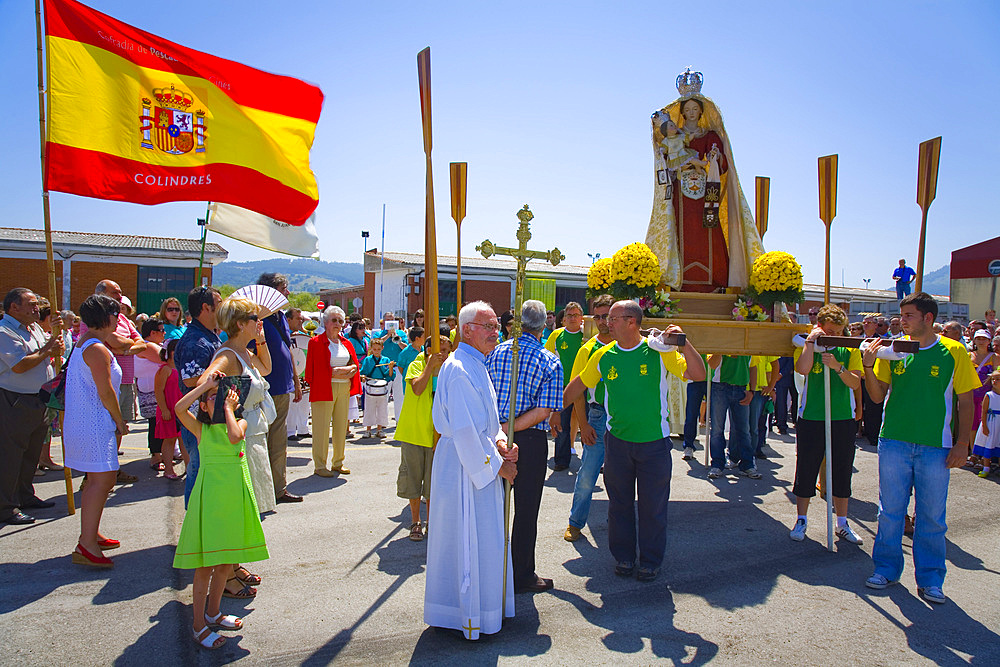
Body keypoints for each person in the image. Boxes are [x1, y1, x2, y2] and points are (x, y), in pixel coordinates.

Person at [564, 300, 704, 582]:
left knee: (653, 506)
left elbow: (699, 374)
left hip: (654, 444)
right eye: (607, 319)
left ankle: (650, 560)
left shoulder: (658, 351)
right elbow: (579, 384)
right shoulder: (604, 355)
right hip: (617, 443)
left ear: (631, 321)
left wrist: (683, 343)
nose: (607, 323)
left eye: (613, 319)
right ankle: (624, 557)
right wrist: (554, 410)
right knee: (620, 504)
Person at [862, 292, 979, 604]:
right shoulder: (893, 348)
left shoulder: (953, 350)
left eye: (909, 315)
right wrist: (869, 367)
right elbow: (876, 396)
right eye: (902, 316)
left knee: (931, 517)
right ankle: (886, 569)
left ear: (929, 318)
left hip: (936, 447)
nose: (903, 321)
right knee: (890, 513)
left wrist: (962, 444)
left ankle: (930, 579)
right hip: (894, 441)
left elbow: (966, 401)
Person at [424, 301, 518, 640]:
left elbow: (488, 422)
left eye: (496, 326)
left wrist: (503, 443)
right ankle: (464, 613)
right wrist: (497, 467)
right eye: (489, 327)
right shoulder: (460, 369)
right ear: (467, 331)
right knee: (467, 539)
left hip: (478, 462)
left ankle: (485, 608)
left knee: (484, 539)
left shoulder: (477, 364)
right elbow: (465, 432)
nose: (496, 332)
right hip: (466, 469)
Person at [172, 374, 268, 650]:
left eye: (226, 396)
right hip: (211, 501)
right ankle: (198, 624)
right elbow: (179, 408)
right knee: (205, 566)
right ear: (203, 406)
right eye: (212, 399)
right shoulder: (203, 430)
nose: (220, 400)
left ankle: (213, 612)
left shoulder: (239, 421)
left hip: (233, 499)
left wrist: (226, 407)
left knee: (226, 560)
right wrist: (205, 388)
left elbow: (236, 435)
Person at [645, 86, 764, 292]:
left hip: (706, 191)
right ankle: (678, 279)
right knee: (682, 229)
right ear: (682, 113)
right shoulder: (674, 136)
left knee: (708, 228)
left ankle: (715, 280)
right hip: (681, 191)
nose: (691, 113)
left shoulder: (710, 135)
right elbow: (663, 160)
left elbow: (724, 164)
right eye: (687, 109)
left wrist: (714, 157)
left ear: (701, 112)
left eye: (694, 109)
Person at [486, 300, 563, 593]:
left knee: (492, 505)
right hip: (528, 439)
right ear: (544, 326)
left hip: (493, 435)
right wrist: (512, 428)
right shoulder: (549, 360)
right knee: (526, 509)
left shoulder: (493, 352)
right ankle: (521, 574)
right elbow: (544, 411)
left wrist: (501, 429)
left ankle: (491, 568)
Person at [788, 305, 865, 544]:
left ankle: (842, 522)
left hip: (841, 417)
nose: (833, 335)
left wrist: (838, 367)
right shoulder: (805, 345)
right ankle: (801, 519)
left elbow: (854, 382)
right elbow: (803, 369)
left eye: (838, 331)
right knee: (807, 467)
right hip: (811, 416)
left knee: (842, 469)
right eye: (828, 330)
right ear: (819, 326)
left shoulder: (848, 349)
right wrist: (811, 344)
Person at [63, 294, 125, 566]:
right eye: (116, 314)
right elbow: (107, 392)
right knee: (102, 480)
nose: (119, 319)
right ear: (106, 317)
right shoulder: (97, 348)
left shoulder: (85, 342)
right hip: (95, 423)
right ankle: (86, 544)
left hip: (86, 421)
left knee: (97, 480)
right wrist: (120, 421)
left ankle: (90, 532)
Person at [200, 297, 277, 514]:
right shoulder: (228, 355)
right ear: (241, 324)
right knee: (245, 502)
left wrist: (261, 340)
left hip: (254, 429)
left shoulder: (243, 352)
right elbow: (204, 383)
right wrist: (227, 403)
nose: (259, 322)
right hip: (241, 433)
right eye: (255, 318)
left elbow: (266, 368)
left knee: (255, 500)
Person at [0, 288, 63, 525]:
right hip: (15, 400)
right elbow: (19, 365)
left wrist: (53, 340)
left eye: (37, 304)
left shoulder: (34, 328)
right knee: (10, 455)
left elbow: (48, 354)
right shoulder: (5, 332)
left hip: (38, 398)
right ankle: (6, 506)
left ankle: (25, 495)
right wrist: (48, 349)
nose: (37, 308)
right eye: (31, 304)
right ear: (14, 307)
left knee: (30, 454)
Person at [563, 294, 614, 542]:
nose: (604, 321)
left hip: (625, 418)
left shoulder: (630, 345)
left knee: (621, 476)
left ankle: (619, 523)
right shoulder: (587, 349)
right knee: (587, 474)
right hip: (597, 416)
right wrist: (583, 425)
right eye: (599, 316)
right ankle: (575, 522)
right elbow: (577, 393)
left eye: (608, 315)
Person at [256, 274, 303, 505]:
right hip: (264, 388)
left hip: (283, 385)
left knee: (279, 440)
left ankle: (279, 489)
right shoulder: (255, 319)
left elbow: (287, 348)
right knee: (262, 440)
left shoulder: (280, 317)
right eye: (284, 288)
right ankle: (262, 491)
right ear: (271, 290)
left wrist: (295, 380)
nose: (288, 293)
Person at [395, 337, 447, 540]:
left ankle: (431, 522)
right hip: (415, 433)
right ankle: (416, 521)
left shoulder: (448, 368)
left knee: (433, 485)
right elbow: (417, 388)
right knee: (413, 481)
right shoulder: (417, 364)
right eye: (439, 350)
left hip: (437, 435)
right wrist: (429, 367)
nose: (443, 354)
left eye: (446, 350)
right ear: (428, 350)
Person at [175, 286, 223, 506]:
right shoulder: (195, 341)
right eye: (219, 304)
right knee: (198, 470)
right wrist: (217, 376)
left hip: (211, 415)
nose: (223, 309)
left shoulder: (209, 336)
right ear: (206, 308)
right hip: (198, 418)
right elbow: (190, 379)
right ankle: (193, 529)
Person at [306, 306, 360, 477]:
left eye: (340, 321)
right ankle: (320, 465)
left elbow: (354, 363)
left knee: (340, 426)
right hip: (324, 388)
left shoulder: (346, 343)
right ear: (326, 322)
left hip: (343, 387)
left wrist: (346, 369)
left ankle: (338, 462)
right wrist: (333, 372)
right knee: (321, 428)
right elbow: (312, 370)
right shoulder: (315, 342)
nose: (338, 324)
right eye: (334, 320)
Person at [544, 301, 585, 471]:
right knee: (562, 423)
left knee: (587, 423)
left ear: (581, 317)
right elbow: (546, 356)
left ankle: (593, 460)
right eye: (569, 315)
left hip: (585, 386)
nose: (573, 318)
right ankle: (561, 459)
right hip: (563, 387)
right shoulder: (557, 335)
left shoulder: (587, 335)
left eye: (576, 315)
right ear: (564, 319)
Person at [706, 353, 758, 478]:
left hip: (742, 388)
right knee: (717, 429)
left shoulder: (749, 342)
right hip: (720, 387)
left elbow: (753, 367)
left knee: (744, 430)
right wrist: (721, 350)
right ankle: (717, 464)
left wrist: (752, 390)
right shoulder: (719, 340)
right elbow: (712, 364)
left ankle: (747, 464)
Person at [134, 318, 166, 471]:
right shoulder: (148, 347)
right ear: (152, 333)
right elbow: (167, 359)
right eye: (161, 330)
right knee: (155, 424)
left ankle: (161, 454)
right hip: (151, 393)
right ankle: (155, 456)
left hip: (156, 390)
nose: (164, 333)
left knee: (160, 424)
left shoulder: (154, 345)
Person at [154, 339, 188, 480]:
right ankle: (168, 469)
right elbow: (158, 391)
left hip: (181, 410)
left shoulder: (182, 368)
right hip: (169, 410)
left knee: (184, 439)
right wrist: (164, 410)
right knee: (169, 440)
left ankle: (189, 467)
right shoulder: (165, 370)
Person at [360, 339, 395, 438]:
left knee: (382, 408)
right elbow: (363, 372)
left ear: (382, 348)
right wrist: (362, 377)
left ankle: (379, 429)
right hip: (370, 386)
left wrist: (391, 367)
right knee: (369, 408)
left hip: (382, 387)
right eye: (374, 349)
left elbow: (390, 376)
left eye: (378, 349)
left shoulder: (386, 360)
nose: (376, 351)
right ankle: (368, 430)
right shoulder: (367, 360)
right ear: (371, 349)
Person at [972, 371, 1000, 477]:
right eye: (993, 379)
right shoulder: (989, 395)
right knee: (989, 443)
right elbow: (984, 411)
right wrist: (984, 425)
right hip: (991, 423)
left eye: (998, 379)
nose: (995, 381)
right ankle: (986, 468)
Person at [394, 325, 425, 418]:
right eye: (423, 336)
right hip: (410, 384)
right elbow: (401, 367)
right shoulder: (405, 352)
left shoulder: (424, 350)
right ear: (417, 338)